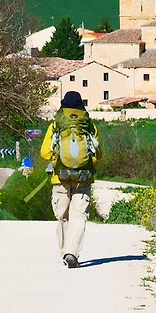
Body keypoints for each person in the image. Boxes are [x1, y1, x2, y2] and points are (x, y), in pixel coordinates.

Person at [39, 91, 100, 268]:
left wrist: (57, 160)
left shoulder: (56, 125)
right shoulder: (88, 126)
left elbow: (44, 153)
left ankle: (65, 253)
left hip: (60, 178)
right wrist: (84, 163)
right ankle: (73, 252)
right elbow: (98, 155)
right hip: (84, 178)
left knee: (62, 217)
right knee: (80, 216)